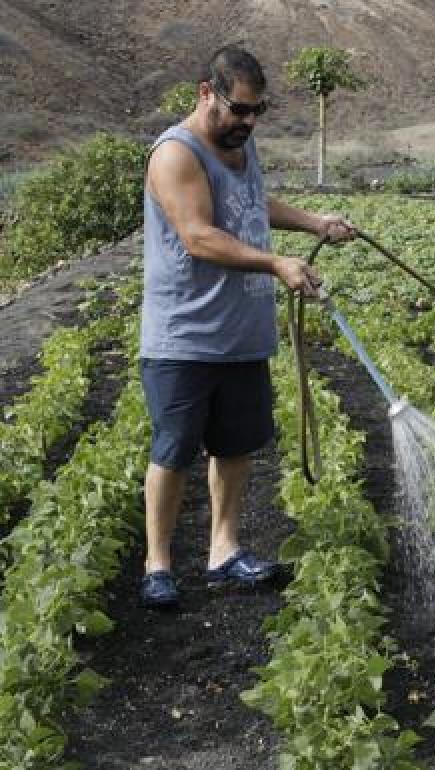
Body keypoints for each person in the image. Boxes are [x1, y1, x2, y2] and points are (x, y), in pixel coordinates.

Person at [138, 45, 356, 607]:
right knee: (174, 450)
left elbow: (255, 203)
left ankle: (224, 551)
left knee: (235, 447)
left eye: (257, 110)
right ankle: (158, 566)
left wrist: (314, 222)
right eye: (239, 109)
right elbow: (198, 236)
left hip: (241, 333)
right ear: (206, 94)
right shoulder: (176, 153)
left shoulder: (240, 143)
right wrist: (276, 262)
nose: (249, 122)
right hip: (185, 336)